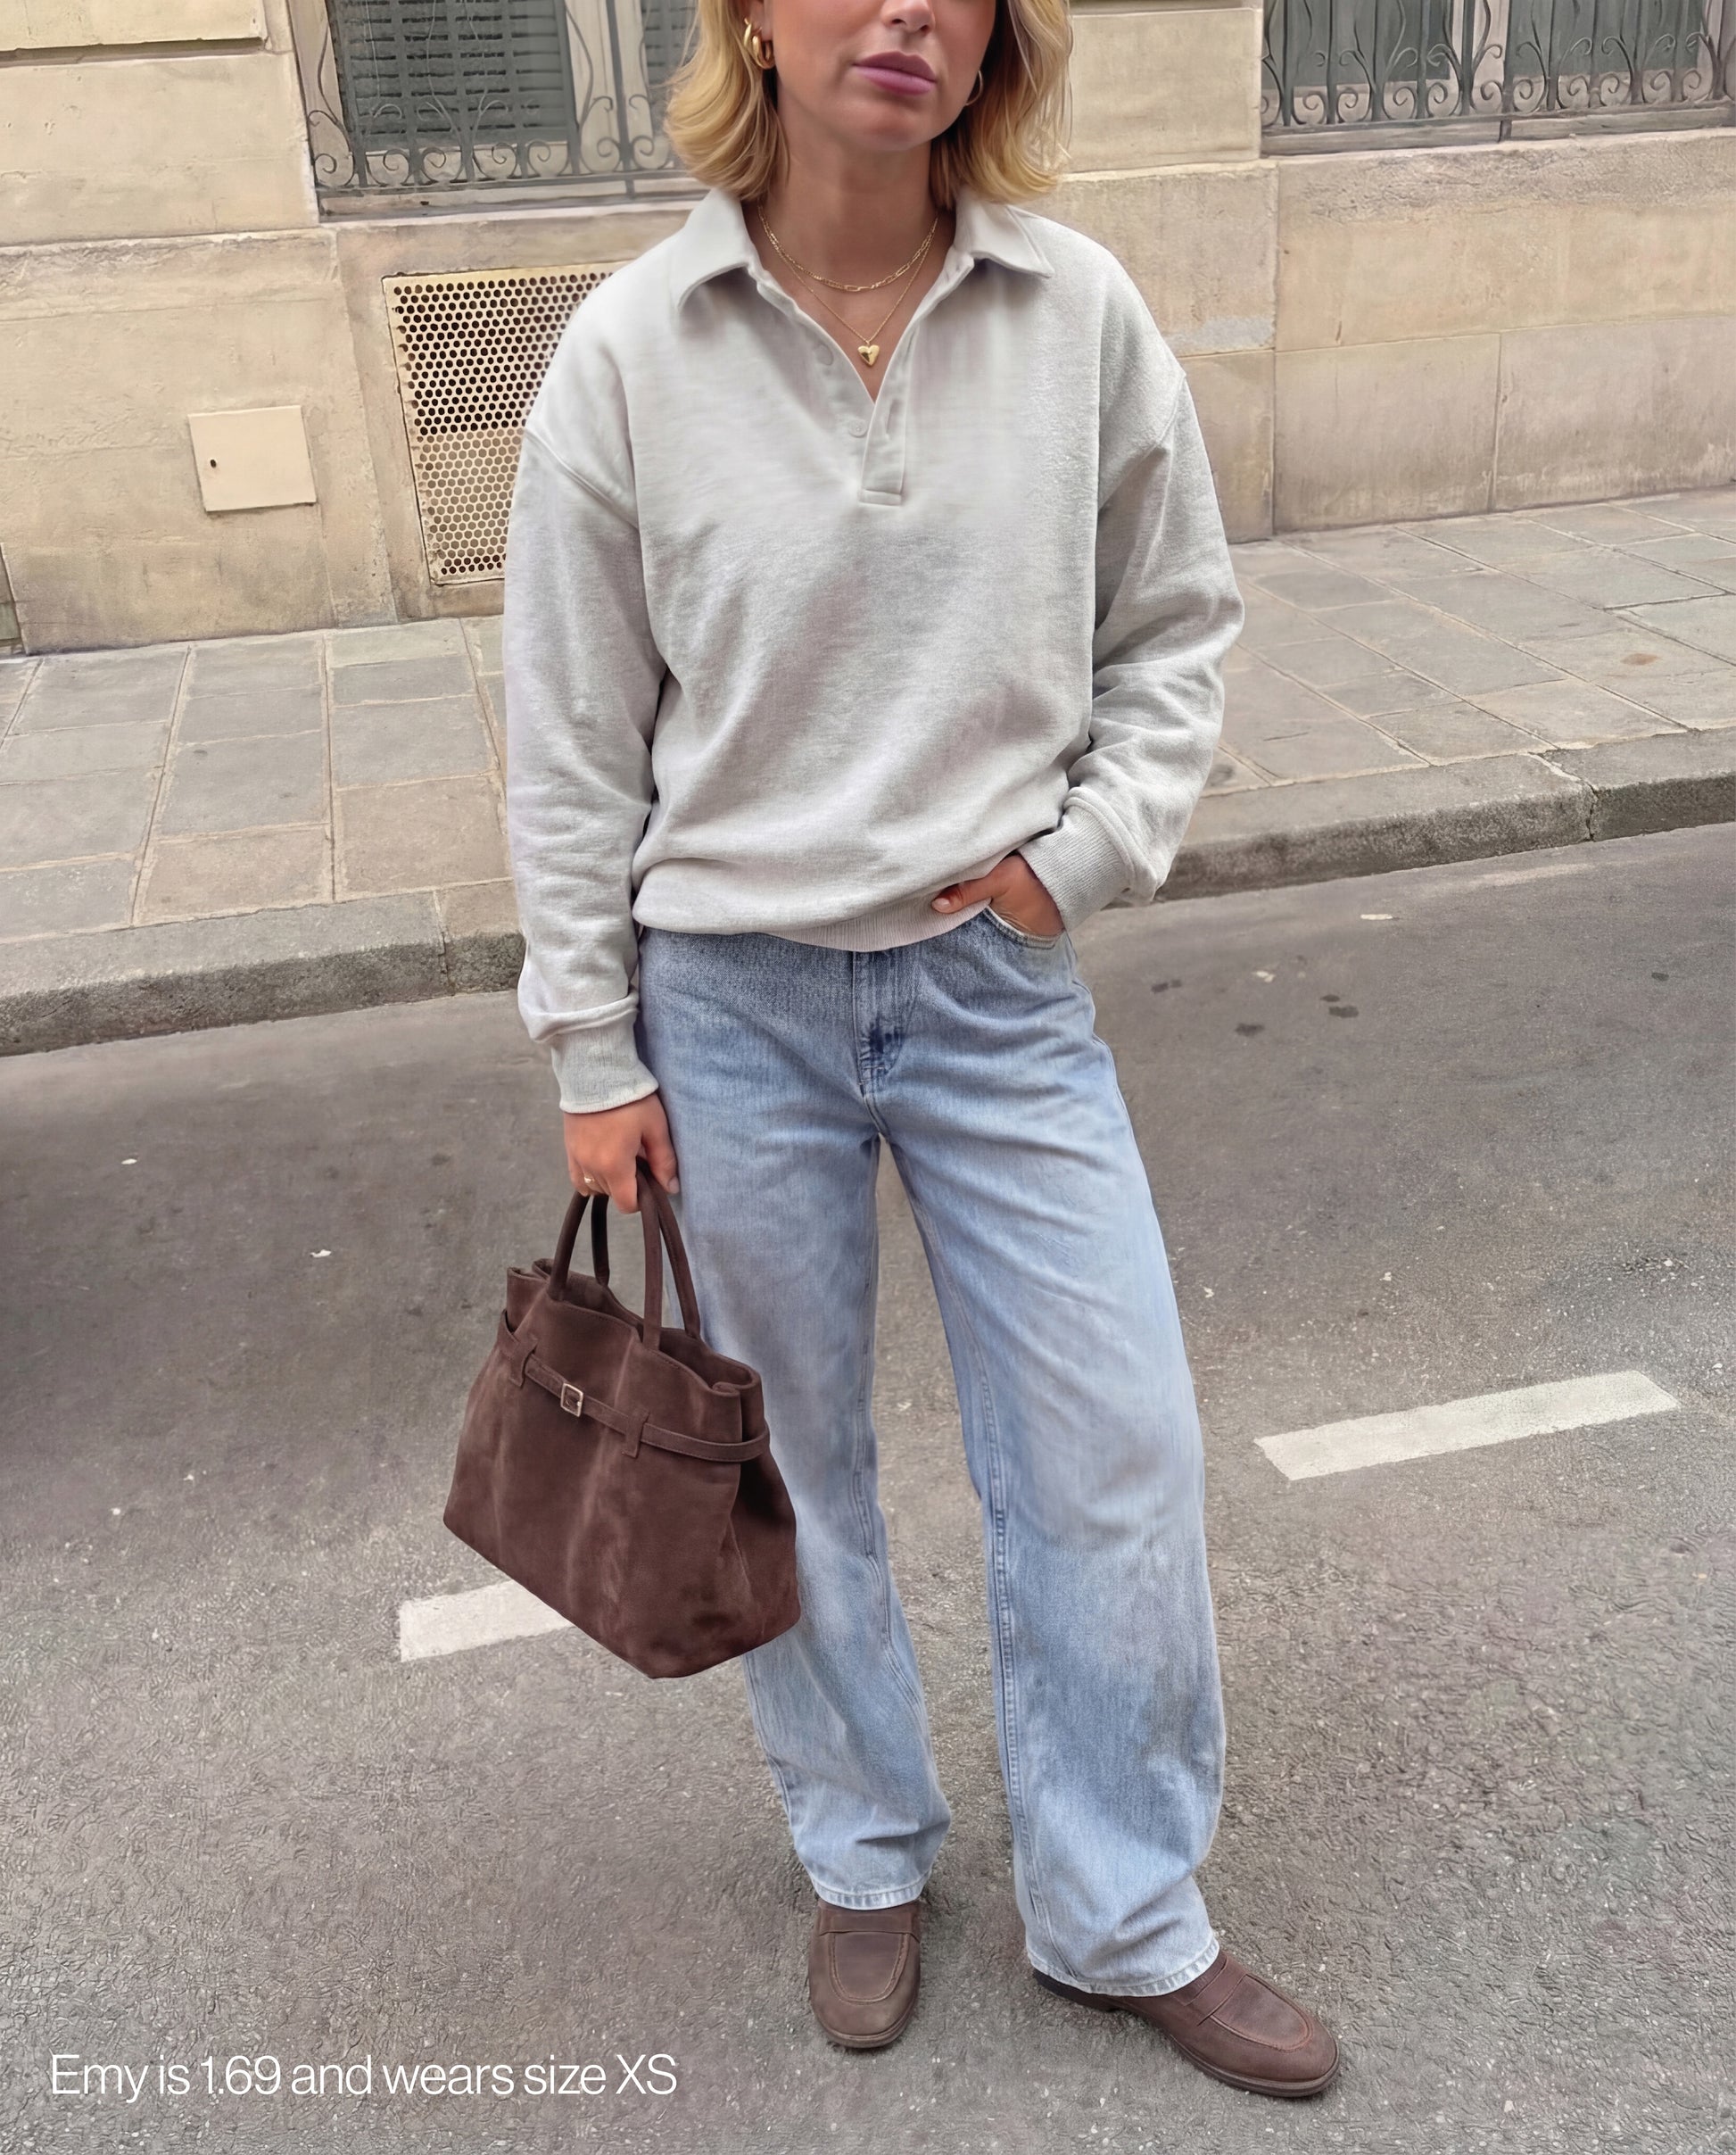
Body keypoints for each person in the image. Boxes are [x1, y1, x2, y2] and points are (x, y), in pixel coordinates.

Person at [500, 0, 1340, 2101]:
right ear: (748, 26)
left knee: (1110, 1445)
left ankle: (1121, 1902)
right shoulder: (633, 348)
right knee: (790, 1471)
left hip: (991, 989)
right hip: (731, 1003)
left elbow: (1175, 618)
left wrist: (1087, 853)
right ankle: (864, 1846)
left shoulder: (1074, 314)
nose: (907, 13)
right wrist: (591, 1043)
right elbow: (570, 730)